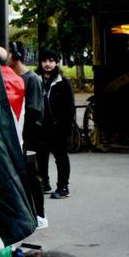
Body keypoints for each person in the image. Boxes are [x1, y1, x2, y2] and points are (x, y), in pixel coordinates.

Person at [0, 46, 27, 257]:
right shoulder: (18, 80)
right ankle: (16, 254)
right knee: (13, 201)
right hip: (16, 148)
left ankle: (5, 256)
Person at [10, 41, 47, 228]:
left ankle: (40, 215)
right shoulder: (12, 77)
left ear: (16, 55)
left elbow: (34, 111)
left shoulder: (31, 79)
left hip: (31, 137)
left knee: (32, 175)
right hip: (18, 136)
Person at [37, 48, 75, 199]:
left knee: (61, 157)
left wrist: (67, 129)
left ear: (57, 63)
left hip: (58, 128)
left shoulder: (63, 83)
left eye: (51, 61)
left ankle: (63, 187)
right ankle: (44, 183)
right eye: (44, 61)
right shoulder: (35, 80)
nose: (47, 64)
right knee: (41, 157)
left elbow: (70, 108)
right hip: (40, 126)